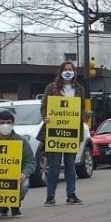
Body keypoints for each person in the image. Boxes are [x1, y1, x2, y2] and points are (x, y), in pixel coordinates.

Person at [40, 61, 86, 206]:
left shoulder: (79, 89)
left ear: (74, 72)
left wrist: (85, 115)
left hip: (72, 131)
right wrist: (45, 117)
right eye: (65, 69)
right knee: (54, 165)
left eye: (70, 69)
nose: (67, 71)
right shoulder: (51, 88)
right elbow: (44, 107)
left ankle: (71, 195)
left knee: (70, 164)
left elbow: (82, 108)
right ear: (60, 72)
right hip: (55, 132)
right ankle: (50, 196)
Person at [0, 110, 36, 219]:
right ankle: (2, 206)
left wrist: (25, 173)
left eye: (8, 122)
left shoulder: (21, 141)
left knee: (25, 184)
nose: (5, 125)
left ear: (13, 124)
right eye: (2, 122)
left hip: (16, 178)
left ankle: (15, 205)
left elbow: (30, 161)